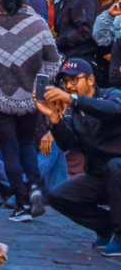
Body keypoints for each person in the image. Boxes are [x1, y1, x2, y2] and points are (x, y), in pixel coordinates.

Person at [0, 0, 59, 222]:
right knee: (27, 143)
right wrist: (39, 86)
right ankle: (33, 185)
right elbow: (53, 59)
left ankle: (21, 203)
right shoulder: (37, 24)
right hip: (30, 95)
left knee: (9, 147)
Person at [37, 57, 121, 255]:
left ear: (90, 80)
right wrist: (55, 121)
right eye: (65, 81)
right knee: (57, 196)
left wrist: (73, 100)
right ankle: (106, 229)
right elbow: (68, 144)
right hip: (100, 176)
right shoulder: (73, 113)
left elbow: (113, 110)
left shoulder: (110, 95)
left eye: (74, 80)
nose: (69, 86)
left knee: (115, 167)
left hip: (117, 170)